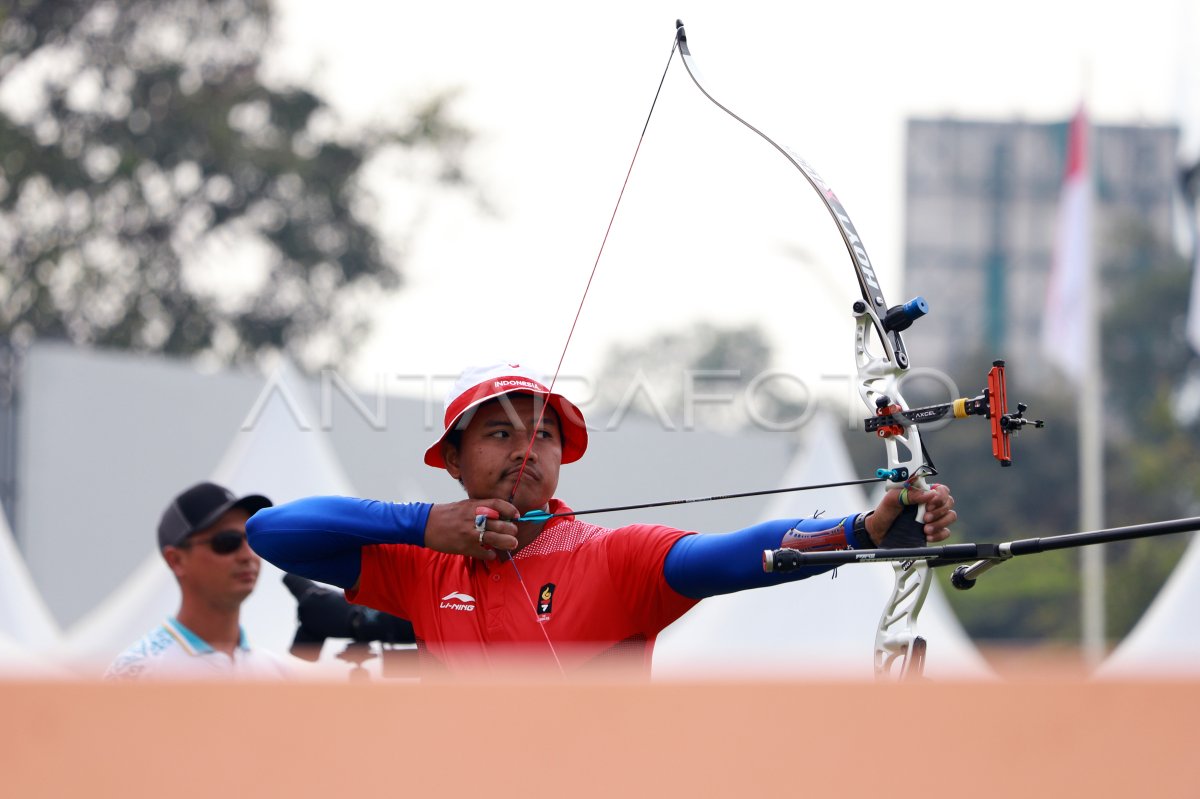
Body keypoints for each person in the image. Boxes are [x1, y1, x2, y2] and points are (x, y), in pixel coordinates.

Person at [247, 363, 956, 678]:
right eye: (498, 433)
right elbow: (271, 532)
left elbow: (739, 552)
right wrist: (424, 523)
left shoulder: (614, 557)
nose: (527, 447)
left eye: (544, 435)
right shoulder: (421, 565)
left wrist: (863, 530)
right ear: (453, 461)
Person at [105, 482, 293, 680]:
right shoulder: (137, 671)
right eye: (227, 542)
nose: (247, 555)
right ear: (176, 560)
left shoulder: (279, 674)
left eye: (253, 540)